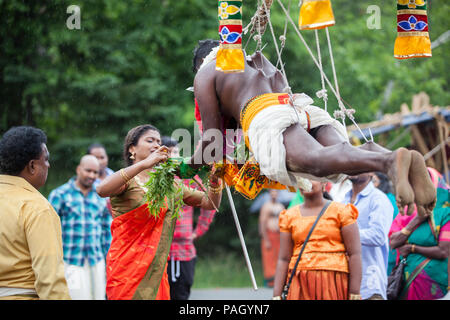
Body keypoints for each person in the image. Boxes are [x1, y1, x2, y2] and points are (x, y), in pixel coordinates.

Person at [190, 40, 436, 217]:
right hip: (297, 106)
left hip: (265, 114)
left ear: (202, 62)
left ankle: (390, 162)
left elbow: (213, 143)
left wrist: (185, 167)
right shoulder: (255, 59)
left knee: (314, 163)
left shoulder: (206, 73)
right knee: (341, 152)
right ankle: (389, 157)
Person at [96, 124, 222, 300]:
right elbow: (102, 190)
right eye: (150, 140)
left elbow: (209, 203)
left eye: (158, 141)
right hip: (126, 270)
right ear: (132, 148)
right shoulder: (128, 180)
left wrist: (216, 181)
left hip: (156, 271)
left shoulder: (172, 184)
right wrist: (144, 164)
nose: (157, 145)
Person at [0, 126, 70, 300]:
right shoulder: (36, 208)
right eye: (45, 159)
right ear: (32, 166)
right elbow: (50, 279)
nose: (49, 165)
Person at [272, 180, 362, 300]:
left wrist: (354, 291)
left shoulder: (342, 212)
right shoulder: (289, 216)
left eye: (310, 178)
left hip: (334, 282)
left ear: (324, 183)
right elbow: (284, 259)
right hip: (299, 283)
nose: (305, 182)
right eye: (301, 178)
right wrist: (276, 295)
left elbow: (355, 254)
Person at [48, 155, 112, 300]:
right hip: (71, 261)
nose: (92, 175)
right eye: (88, 171)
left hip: (97, 260)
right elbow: (49, 231)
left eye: (95, 172)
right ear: (78, 169)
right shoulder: (60, 195)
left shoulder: (102, 195)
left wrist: (109, 260)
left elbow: (107, 231)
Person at [161, 136, 217, 300]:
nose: (173, 157)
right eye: (168, 153)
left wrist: (198, 231)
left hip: (184, 250)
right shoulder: (152, 178)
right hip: (158, 249)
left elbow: (209, 203)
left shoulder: (190, 179)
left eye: (176, 152)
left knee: (181, 295)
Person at [389, 167, 450, 300]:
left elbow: (443, 251)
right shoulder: (409, 210)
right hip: (407, 280)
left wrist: (412, 248)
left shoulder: (446, 212)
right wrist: (417, 219)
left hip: (436, 284)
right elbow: (394, 242)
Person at [343, 173, 394, 300]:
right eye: (352, 163)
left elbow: (378, 235)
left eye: (360, 164)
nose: (354, 169)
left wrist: (347, 233)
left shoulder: (378, 199)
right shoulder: (342, 200)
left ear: (371, 172)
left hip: (369, 284)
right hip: (344, 282)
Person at [371, 171, 400, 275]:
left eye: (373, 181)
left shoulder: (384, 199)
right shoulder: (389, 198)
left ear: (380, 182)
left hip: (387, 244)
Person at [259, 189, 285, 288]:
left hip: (279, 235)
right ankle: (269, 280)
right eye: (272, 193)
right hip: (269, 234)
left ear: (278, 194)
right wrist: (265, 239)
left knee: (279, 257)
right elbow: (262, 222)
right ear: (269, 194)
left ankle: (278, 280)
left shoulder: (281, 206)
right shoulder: (266, 206)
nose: (274, 194)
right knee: (269, 257)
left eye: (276, 192)